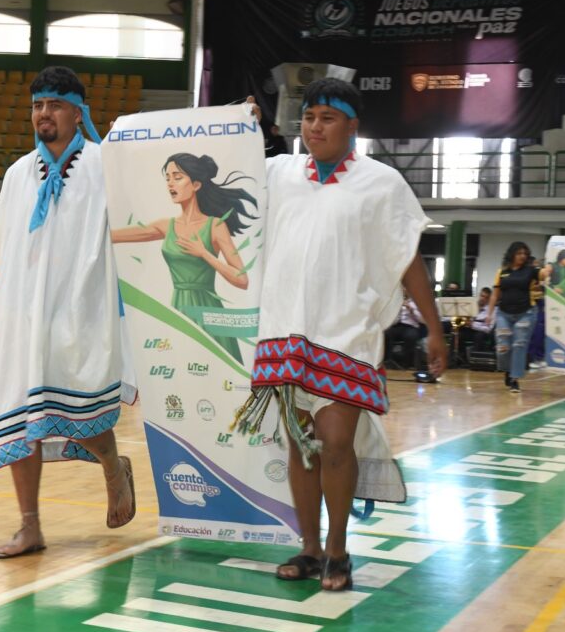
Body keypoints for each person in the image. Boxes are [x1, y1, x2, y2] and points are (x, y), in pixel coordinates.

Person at [239, 80, 446, 592]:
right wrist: (237, 126)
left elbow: (407, 259)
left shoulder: (382, 183)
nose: (315, 127)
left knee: (335, 444)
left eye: (327, 118)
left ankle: (338, 550)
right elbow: (219, 170)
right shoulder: (278, 172)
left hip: (346, 332)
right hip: (285, 329)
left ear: (353, 125)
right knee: (302, 447)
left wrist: (435, 328)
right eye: (309, 117)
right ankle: (309, 548)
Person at [0, 66, 137, 560]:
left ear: (78, 112)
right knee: (19, 415)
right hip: (22, 315)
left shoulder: (107, 166)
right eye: (37, 105)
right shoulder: (17, 174)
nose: (44, 113)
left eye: (55, 104)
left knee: (81, 410)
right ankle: (30, 527)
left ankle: (113, 465)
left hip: (81, 307)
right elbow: (0, 252)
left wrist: (237, 123)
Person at [111, 152, 258, 363]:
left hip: (208, 311)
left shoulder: (215, 225)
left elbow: (242, 280)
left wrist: (204, 254)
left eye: (177, 177)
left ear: (196, 184)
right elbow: (112, 236)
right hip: (178, 311)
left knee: (215, 373)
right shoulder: (166, 225)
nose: (170, 183)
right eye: (167, 178)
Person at [486, 242, 551, 393]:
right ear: (512, 254)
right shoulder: (502, 272)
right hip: (503, 313)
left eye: (525, 253)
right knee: (502, 348)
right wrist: (489, 314)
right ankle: (507, 370)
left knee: (519, 345)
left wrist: (548, 268)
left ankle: (514, 379)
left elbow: (544, 274)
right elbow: (495, 295)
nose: (522, 256)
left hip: (526, 313)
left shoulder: (531, 270)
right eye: (519, 253)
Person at [384, 289, 428, 371]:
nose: (404, 290)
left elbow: (423, 320)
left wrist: (412, 310)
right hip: (397, 325)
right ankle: (387, 361)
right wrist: (396, 310)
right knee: (386, 334)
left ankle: (406, 363)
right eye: (403, 288)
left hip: (411, 326)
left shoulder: (417, 301)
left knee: (410, 336)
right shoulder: (396, 301)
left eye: (406, 288)